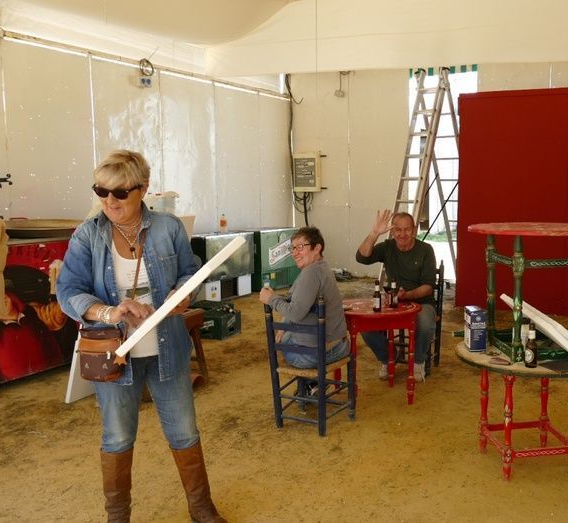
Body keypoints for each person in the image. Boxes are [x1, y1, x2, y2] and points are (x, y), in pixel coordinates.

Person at [57, 150, 225, 523]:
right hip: (115, 357)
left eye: (120, 193)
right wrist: (108, 312)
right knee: (117, 438)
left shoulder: (168, 228)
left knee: (184, 432)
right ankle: (118, 517)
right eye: (101, 191)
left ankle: (201, 508)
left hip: (168, 351)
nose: (109, 201)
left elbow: (190, 271)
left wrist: (184, 293)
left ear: (143, 189)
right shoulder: (88, 234)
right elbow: (67, 291)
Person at [355, 210, 437, 383]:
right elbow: (361, 257)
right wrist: (374, 233)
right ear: (392, 231)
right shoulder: (388, 247)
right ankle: (388, 357)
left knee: (425, 322)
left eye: (407, 229)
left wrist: (407, 295)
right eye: (398, 230)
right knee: (366, 326)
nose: (402, 234)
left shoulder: (425, 250)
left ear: (414, 230)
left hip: (421, 302)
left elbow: (428, 287)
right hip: (393, 303)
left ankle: (418, 361)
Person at [259, 226, 349, 371]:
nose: (295, 253)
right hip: (339, 346)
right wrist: (284, 325)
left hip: (318, 354)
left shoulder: (311, 272)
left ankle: (309, 382)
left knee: (283, 341)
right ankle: (311, 383)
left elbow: (295, 312)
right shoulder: (322, 267)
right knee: (286, 333)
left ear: (317, 248)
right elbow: (295, 301)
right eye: (293, 248)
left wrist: (271, 299)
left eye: (300, 247)